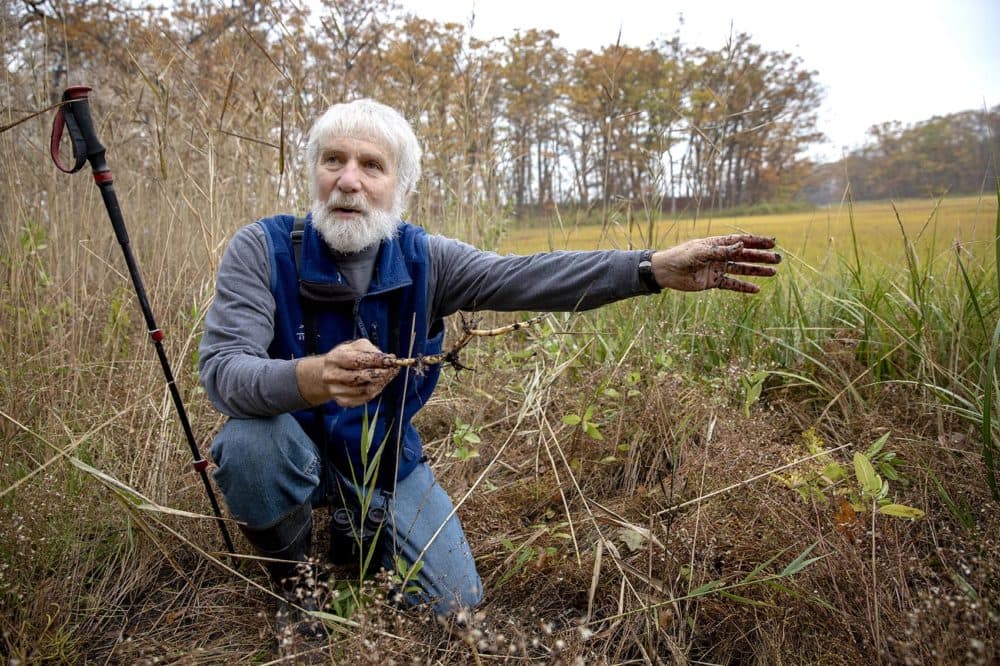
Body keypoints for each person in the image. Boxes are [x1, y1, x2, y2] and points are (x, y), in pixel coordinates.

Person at [198, 99, 781, 626]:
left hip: (386, 465)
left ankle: (360, 521)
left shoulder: (426, 260)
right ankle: (297, 594)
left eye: (371, 166)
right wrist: (314, 377)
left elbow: (528, 276)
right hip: (290, 450)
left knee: (454, 604)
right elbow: (224, 373)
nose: (348, 181)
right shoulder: (263, 249)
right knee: (248, 447)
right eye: (333, 160)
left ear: (400, 187)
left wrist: (649, 269)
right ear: (313, 172)